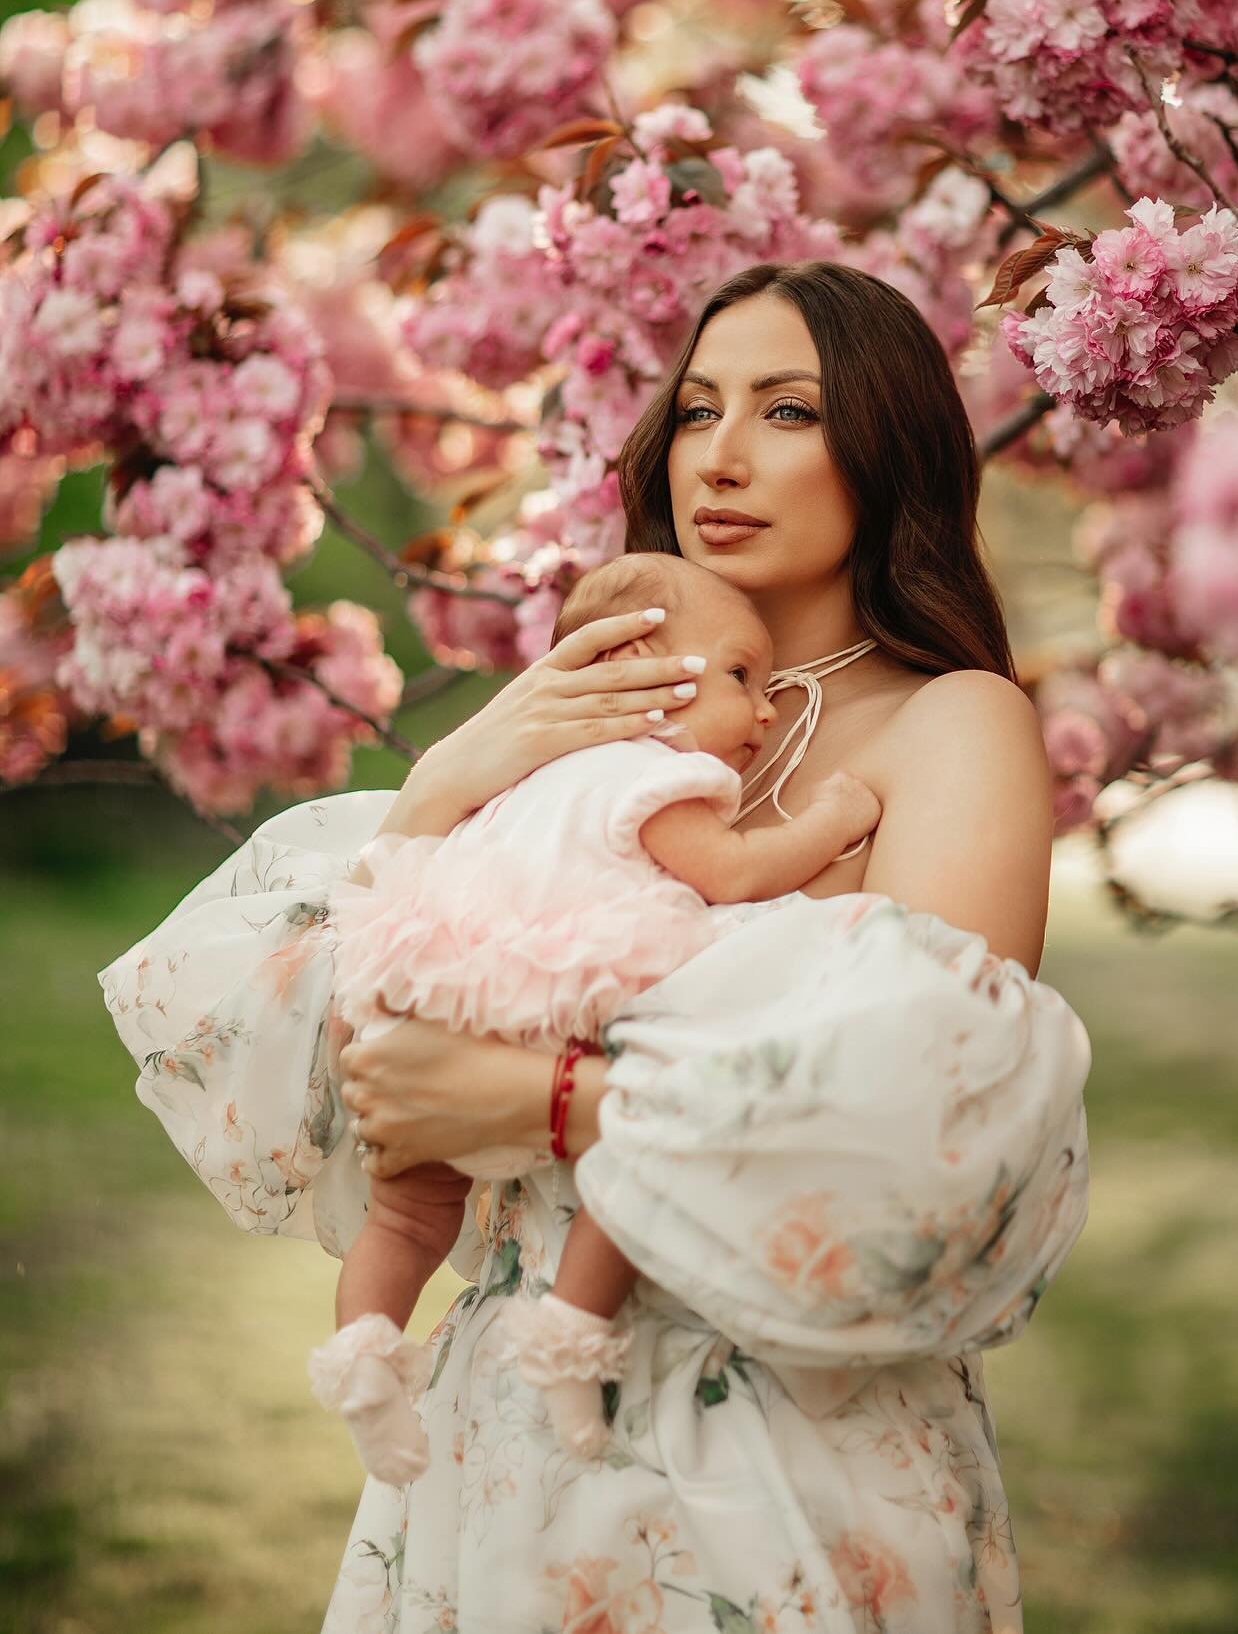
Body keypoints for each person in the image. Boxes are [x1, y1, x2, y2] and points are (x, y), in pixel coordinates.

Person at [99, 260, 1091, 1633]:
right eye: (696, 411)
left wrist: (554, 1103)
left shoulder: (953, 723)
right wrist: (454, 770)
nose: (723, 457)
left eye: (788, 412)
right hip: (504, 1429)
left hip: (787, 1432)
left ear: (887, 442)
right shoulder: (584, 713)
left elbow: (941, 1120)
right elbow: (359, 1056)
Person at [310, 551, 880, 1480]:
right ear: (640, 671)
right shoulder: (651, 777)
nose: (767, 710)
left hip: (421, 1006)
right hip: (537, 1013)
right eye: (743, 675)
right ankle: (570, 1340)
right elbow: (731, 874)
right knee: (630, 1156)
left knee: (406, 1221)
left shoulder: (529, 775)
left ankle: (367, 1361)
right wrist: (831, 820)